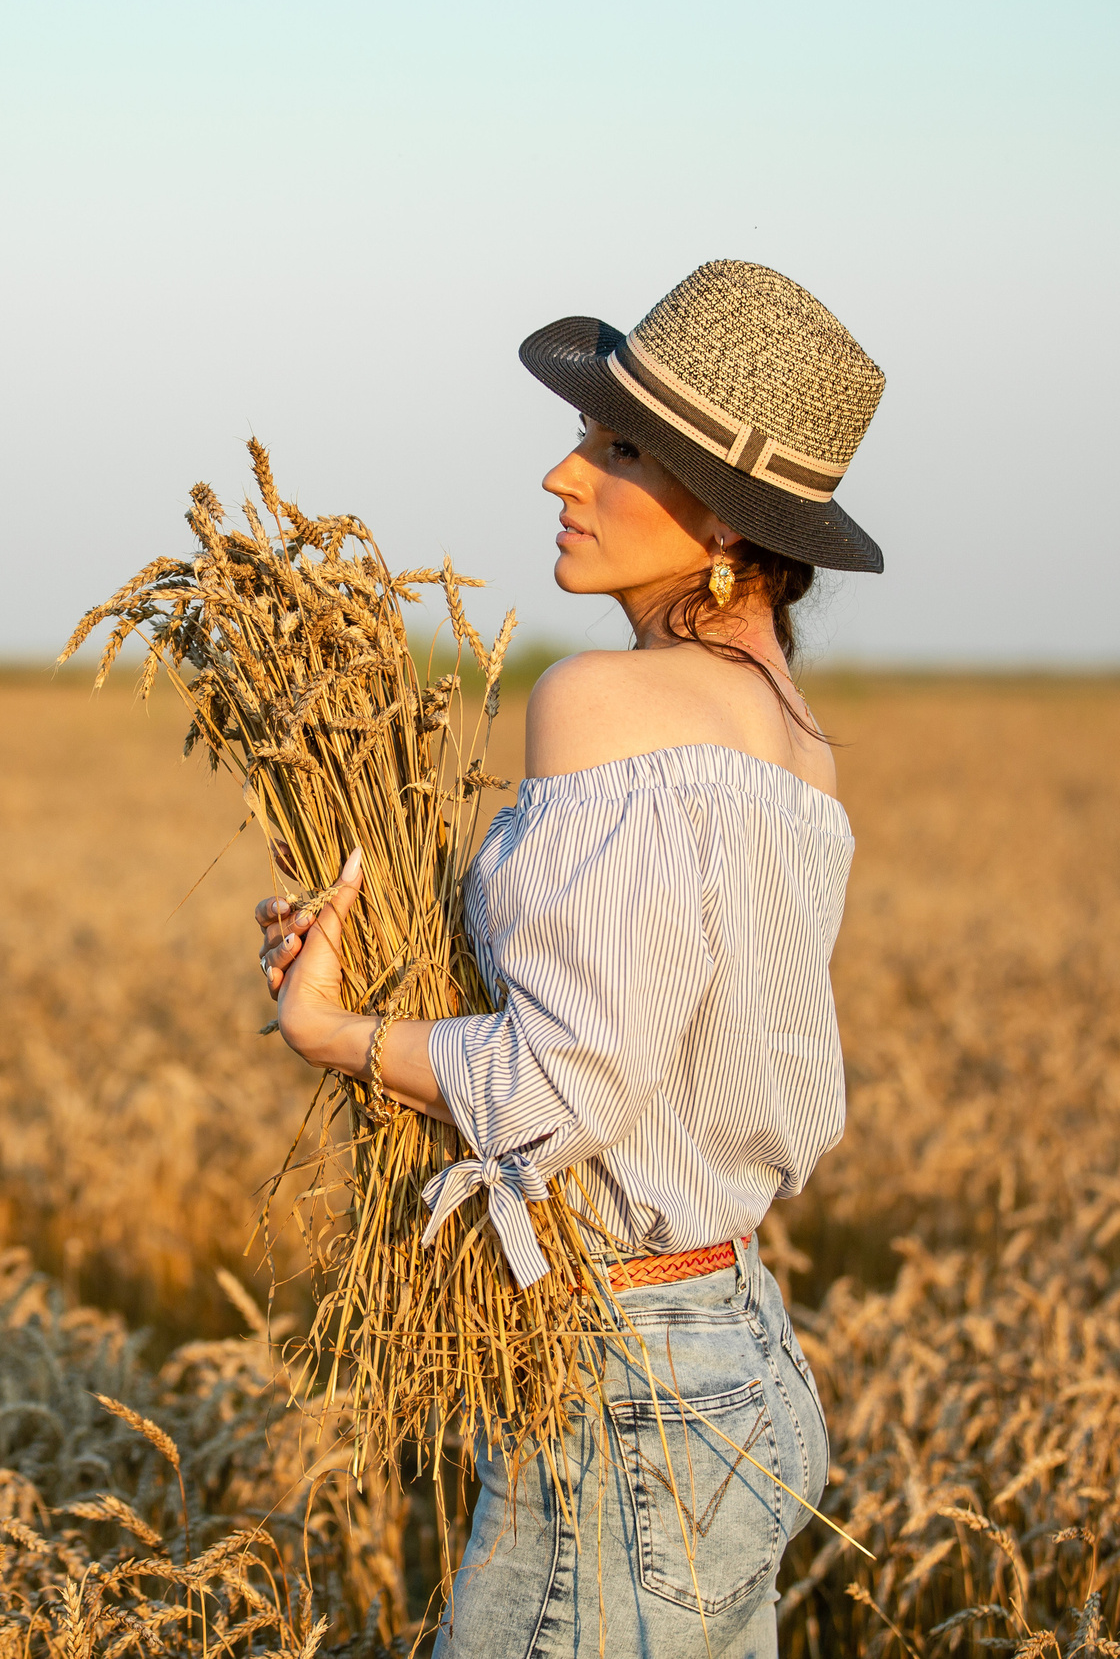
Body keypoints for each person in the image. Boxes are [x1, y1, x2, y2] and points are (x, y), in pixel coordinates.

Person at [251, 259, 887, 1657]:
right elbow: (639, 1036)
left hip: (624, 1384)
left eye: (616, 449)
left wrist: (334, 1033)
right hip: (735, 1350)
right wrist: (373, 970)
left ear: (725, 518)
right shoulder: (798, 742)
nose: (561, 473)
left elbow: (561, 1088)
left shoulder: (603, 700)